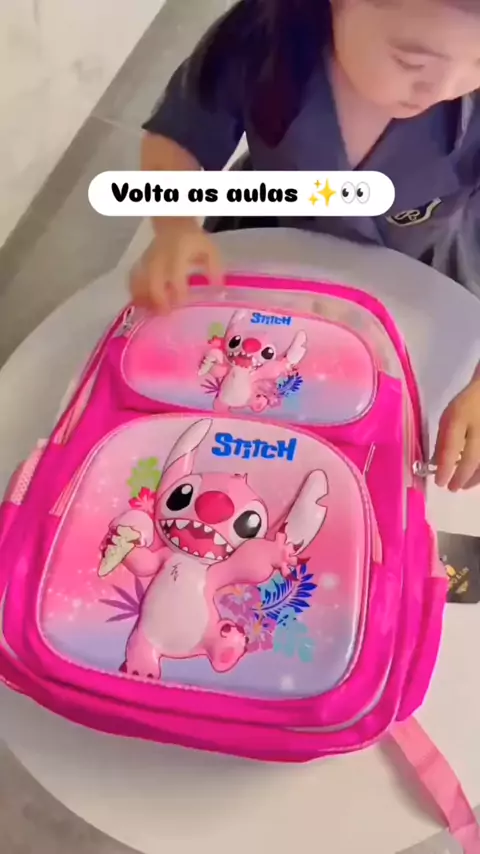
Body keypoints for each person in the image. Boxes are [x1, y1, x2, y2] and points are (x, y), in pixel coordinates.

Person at [131, 0, 480, 491]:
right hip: (263, 239)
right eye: (411, 61)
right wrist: (175, 228)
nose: (443, 89)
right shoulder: (262, 35)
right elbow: (181, 132)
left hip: (419, 270)